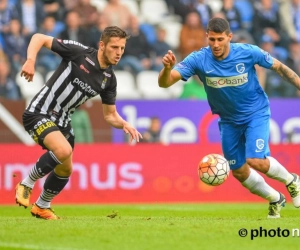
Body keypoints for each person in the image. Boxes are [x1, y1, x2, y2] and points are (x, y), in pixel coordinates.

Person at [158, 17, 300, 218]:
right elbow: (165, 84)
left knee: (255, 159)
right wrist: (166, 69)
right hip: (228, 121)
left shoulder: (248, 52)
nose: (216, 44)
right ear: (207, 36)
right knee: (240, 172)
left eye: (220, 39)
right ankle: (275, 198)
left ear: (229, 37)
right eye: (212, 39)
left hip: (255, 113)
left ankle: (292, 180)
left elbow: (279, 68)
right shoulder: (198, 59)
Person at [15, 26, 142, 220]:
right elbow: (39, 37)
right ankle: (27, 183)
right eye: (114, 47)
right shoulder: (79, 53)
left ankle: (42, 206)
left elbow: (110, 115)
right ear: (102, 45)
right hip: (40, 112)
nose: (119, 53)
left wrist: (124, 123)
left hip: (63, 121)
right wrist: (30, 61)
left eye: (122, 49)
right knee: (63, 150)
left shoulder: (109, 79)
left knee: (66, 168)